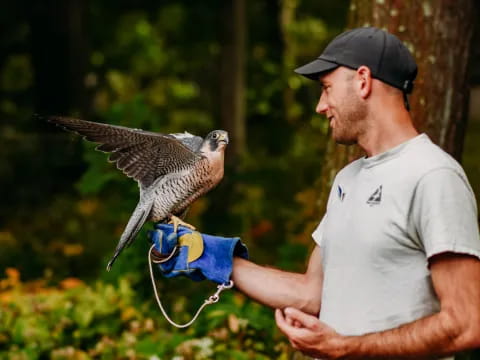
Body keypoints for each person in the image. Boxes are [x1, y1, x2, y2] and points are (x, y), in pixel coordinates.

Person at [151, 27, 480, 359]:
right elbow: (311, 294)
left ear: (363, 81)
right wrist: (215, 258)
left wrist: (346, 348)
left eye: (327, 88)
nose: (321, 106)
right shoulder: (348, 179)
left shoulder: (433, 176)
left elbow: (466, 322)